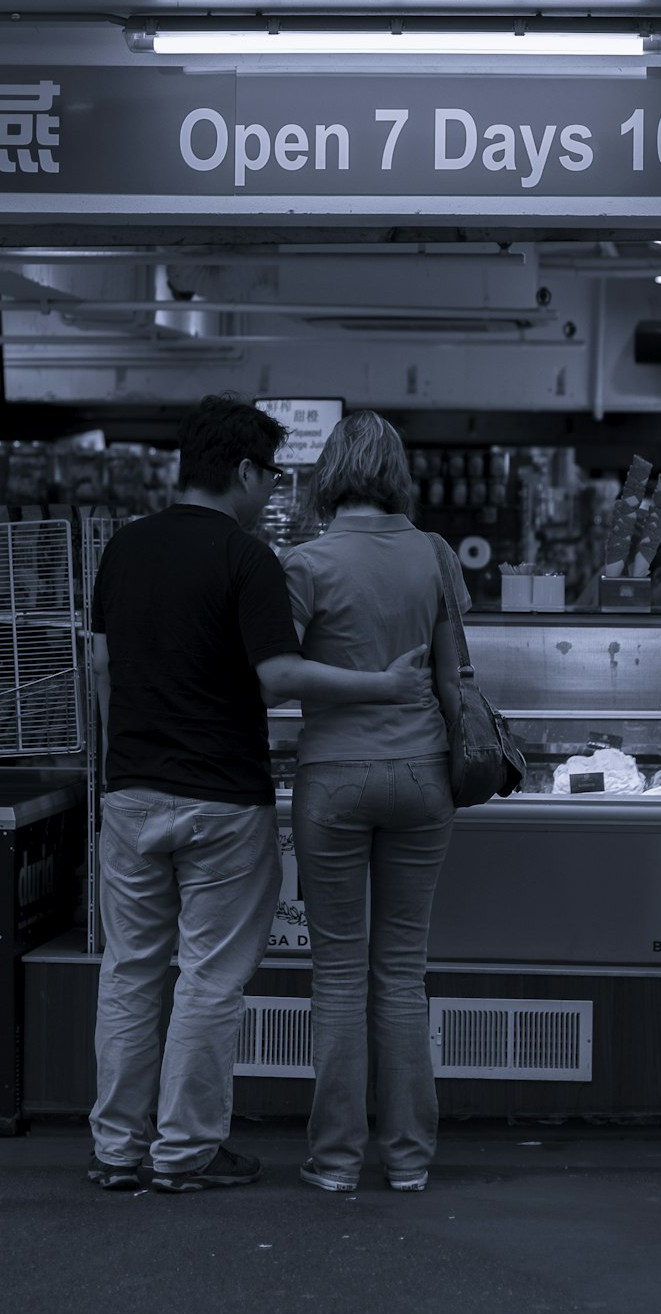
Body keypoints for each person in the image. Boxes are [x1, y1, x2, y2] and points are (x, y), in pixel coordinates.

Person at [88, 394, 432, 1194]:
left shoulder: (123, 549)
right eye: (272, 476)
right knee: (208, 977)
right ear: (242, 471)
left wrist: (121, 764)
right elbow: (277, 679)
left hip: (131, 794)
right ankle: (184, 1152)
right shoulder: (247, 559)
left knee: (130, 972)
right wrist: (381, 685)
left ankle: (114, 1148)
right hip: (221, 798)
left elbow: (100, 667)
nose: (275, 491)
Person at [281, 411, 469, 1194]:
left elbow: (280, 676)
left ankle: (332, 1162)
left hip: (332, 777)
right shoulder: (434, 555)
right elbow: (456, 676)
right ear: (398, 475)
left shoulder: (305, 564)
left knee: (337, 975)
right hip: (423, 774)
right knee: (401, 973)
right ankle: (409, 1160)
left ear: (330, 473)